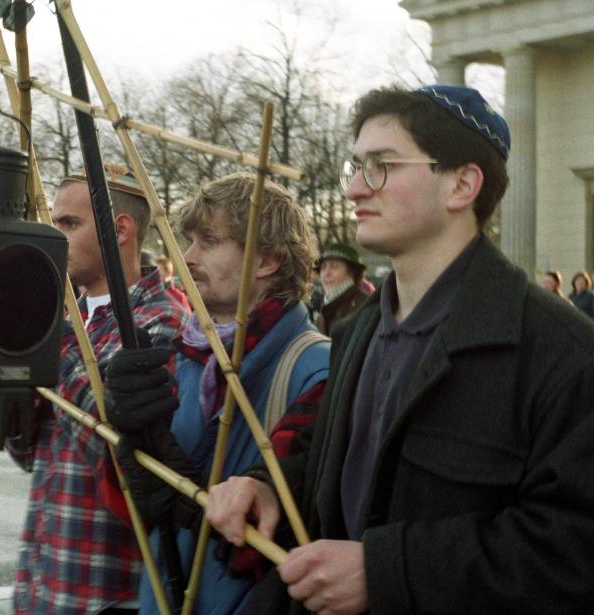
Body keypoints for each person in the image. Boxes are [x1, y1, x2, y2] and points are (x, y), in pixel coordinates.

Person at [206, 85, 594, 615]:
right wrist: (270, 489)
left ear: (462, 184)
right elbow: (333, 464)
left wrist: (386, 571)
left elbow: (574, 549)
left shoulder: (561, 350)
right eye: (356, 166)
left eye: (382, 165)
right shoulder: (355, 332)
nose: (355, 189)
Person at [105, 173, 331, 614]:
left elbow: (275, 526)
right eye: (189, 240)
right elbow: (126, 509)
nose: (186, 257)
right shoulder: (176, 355)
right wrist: (125, 440)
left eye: (208, 241)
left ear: (265, 260)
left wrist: (191, 501)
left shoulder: (316, 369)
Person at [10, 167, 189, 615]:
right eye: (55, 224)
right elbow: (31, 453)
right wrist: (13, 400)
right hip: (47, 577)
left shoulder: (160, 322)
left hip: (107, 591)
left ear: (121, 229)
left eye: (69, 224)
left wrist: (55, 342)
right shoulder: (72, 322)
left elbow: (118, 448)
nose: (56, 236)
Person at [314, 242, 371, 336]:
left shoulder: (365, 307)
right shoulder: (324, 309)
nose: (327, 273)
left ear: (352, 272)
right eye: (323, 268)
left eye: (334, 267)